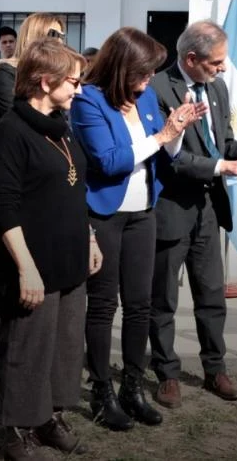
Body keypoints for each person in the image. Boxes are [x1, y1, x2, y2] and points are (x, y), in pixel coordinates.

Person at [148, 20, 237, 408]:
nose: (223, 68)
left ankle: (215, 369)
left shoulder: (216, 87)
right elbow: (170, 157)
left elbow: (223, 142)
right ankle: (168, 375)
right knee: (162, 301)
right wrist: (222, 168)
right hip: (171, 210)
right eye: (216, 62)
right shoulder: (159, 90)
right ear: (191, 59)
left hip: (209, 209)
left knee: (212, 295)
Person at [70, 26, 205, 432]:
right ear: (119, 67)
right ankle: (101, 390)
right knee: (104, 305)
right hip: (106, 214)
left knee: (141, 304)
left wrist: (175, 133)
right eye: (142, 74)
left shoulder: (144, 97)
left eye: (150, 75)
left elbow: (161, 154)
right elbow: (109, 162)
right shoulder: (88, 102)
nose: (148, 83)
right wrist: (162, 135)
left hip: (144, 210)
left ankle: (132, 385)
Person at [0, 38, 102, 461]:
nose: (79, 89)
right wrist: (25, 269)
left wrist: (88, 238)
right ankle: (19, 430)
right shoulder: (11, 132)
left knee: (65, 347)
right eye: (72, 81)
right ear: (44, 81)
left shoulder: (62, 126)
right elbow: (3, 207)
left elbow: (75, 189)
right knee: (28, 349)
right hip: (32, 262)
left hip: (69, 258)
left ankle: (49, 417)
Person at [0, 12, 67, 353]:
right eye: (54, 33)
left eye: (62, 34)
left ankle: (14, 328)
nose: (60, 39)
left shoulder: (49, 77)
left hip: (30, 176)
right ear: (35, 34)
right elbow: (25, 118)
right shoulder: (5, 71)